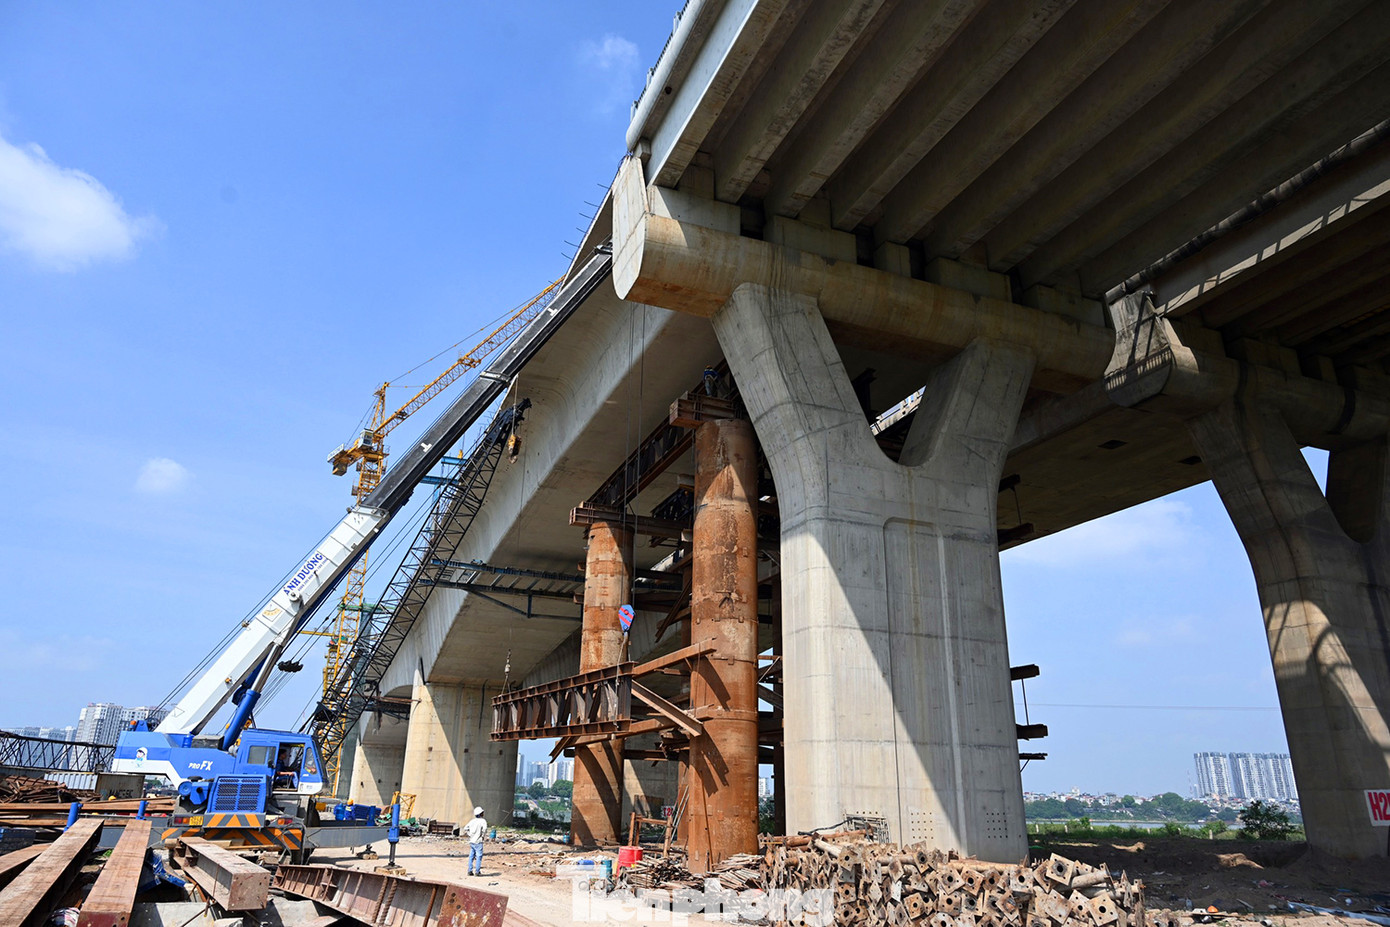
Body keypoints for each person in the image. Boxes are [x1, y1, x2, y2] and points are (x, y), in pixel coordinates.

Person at [463, 807, 487, 876]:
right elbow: (484, 830)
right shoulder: (483, 821)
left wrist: (470, 834)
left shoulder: (472, 821)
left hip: (472, 841)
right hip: (478, 841)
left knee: (471, 856)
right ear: (481, 814)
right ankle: (477, 871)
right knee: (479, 857)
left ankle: (469, 870)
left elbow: (465, 828)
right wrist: (482, 836)